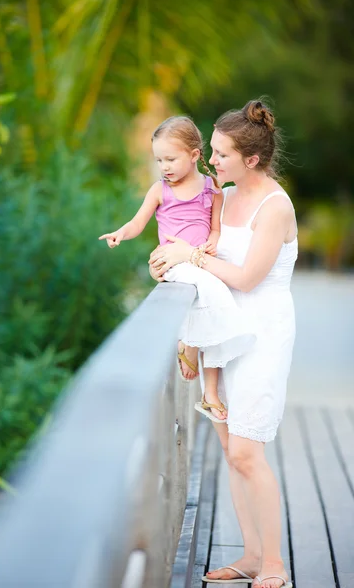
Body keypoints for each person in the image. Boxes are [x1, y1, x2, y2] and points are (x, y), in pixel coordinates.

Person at [149, 100, 296, 588]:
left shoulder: (276, 207)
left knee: (248, 453)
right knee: (231, 450)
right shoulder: (223, 196)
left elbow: (248, 278)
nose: (211, 162)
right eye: (210, 151)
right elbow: (195, 254)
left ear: (251, 158)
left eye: (221, 154)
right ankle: (251, 556)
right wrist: (168, 263)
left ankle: (273, 564)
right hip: (222, 334)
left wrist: (188, 253)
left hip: (262, 335)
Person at [99, 116, 256, 422]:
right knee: (214, 293)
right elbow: (137, 222)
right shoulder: (160, 191)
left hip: (198, 261)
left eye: (170, 159)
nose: (164, 167)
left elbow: (214, 229)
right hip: (172, 263)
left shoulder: (212, 189)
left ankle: (210, 391)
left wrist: (211, 243)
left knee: (211, 308)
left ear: (195, 155)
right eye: (159, 160)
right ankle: (188, 342)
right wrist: (121, 233)